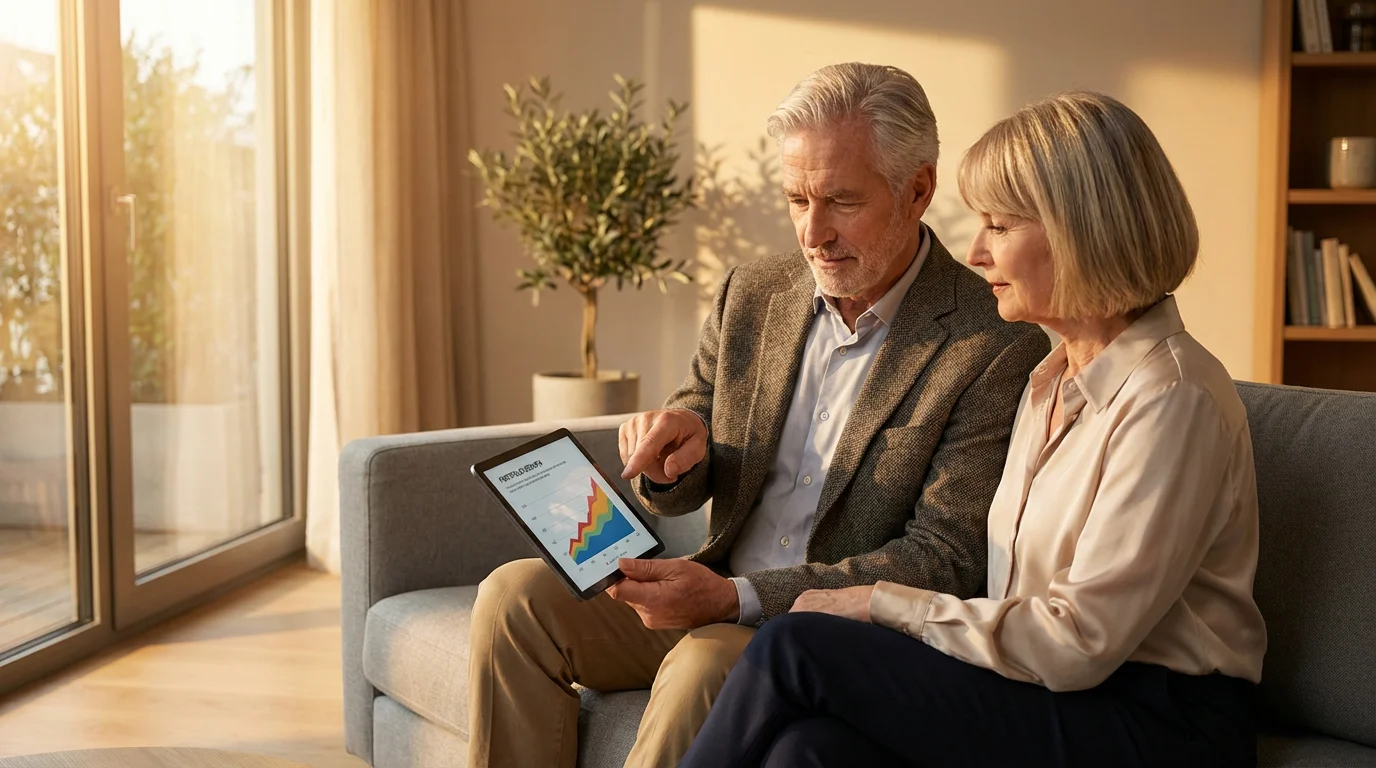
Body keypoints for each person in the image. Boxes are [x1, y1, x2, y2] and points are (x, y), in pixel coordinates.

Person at [465, 63, 1050, 768]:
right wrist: (673, 450)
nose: (814, 233)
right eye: (797, 200)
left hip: (813, 632)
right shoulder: (756, 291)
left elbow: (943, 560)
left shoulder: (991, 343)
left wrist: (735, 599)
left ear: (917, 189)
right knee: (514, 596)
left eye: (841, 201)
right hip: (707, 579)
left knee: (704, 664)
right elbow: (699, 424)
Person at [680, 90, 1268, 768]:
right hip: (1050, 689)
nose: (975, 251)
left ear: (1083, 229)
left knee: (794, 643)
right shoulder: (1051, 381)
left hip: (1158, 725)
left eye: (1001, 225)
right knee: (810, 750)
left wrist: (882, 605)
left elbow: (1078, 643)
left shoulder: (1173, 398)